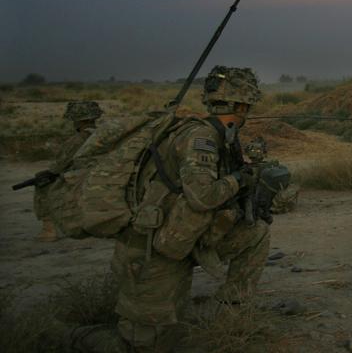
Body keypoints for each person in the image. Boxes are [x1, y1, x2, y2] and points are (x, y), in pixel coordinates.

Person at [72, 66, 269, 353]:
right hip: (154, 250)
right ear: (240, 105)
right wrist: (239, 179)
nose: (247, 113)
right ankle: (74, 336)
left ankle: (231, 314)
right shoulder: (200, 138)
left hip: (185, 238)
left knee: (256, 234)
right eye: (247, 106)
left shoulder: (222, 136)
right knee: (144, 346)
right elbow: (203, 196)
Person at [34, 100, 103, 241]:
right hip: (103, 176)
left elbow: (57, 168)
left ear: (76, 120)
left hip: (82, 179)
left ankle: (49, 230)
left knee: (42, 183)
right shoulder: (105, 133)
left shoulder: (77, 140)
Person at [244, 136, 299, 214]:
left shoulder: (263, 167)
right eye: (253, 150)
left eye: (257, 150)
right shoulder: (270, 166)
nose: (255, 152)